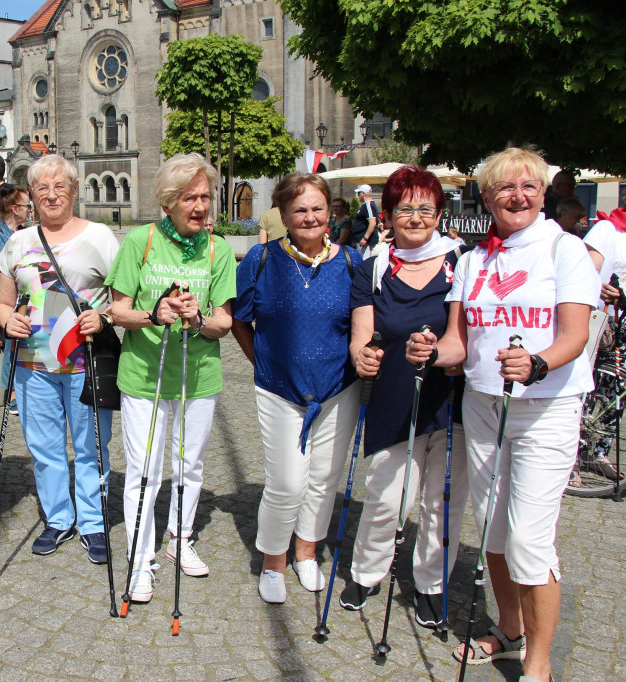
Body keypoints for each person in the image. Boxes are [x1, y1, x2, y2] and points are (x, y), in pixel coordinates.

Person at [407, 146, 597, 681]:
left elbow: (576, 336)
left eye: (528, 188)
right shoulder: (474, 260)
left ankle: (539, 665)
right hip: (485, 405)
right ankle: (509, 632)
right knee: (492, 531)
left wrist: (536, 363)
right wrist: (428, 350)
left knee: (528, 540)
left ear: (543, 194)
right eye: (504, 189)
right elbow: (457, 344)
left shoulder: (565, 251)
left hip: (546, 409)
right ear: (487, 198)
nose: (517, 197)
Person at [341, 165, 469, 627]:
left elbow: (469, 335)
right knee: (386, 494)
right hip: (395, 393)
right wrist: (362, 356)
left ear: (438, 212)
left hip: (450, 398)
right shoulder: (374, 265)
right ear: (389, 215)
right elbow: (363, 332)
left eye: (425, 208)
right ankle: (366, 572)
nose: (416, 217)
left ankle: (432, 584)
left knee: (442, 500)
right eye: (405, 209)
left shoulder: (463, 260)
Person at [107, 153, 236, 601]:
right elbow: (117, 310)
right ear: (168, 201)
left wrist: (197, 318)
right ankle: (141, 560)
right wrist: (154, 313)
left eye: (205, 196)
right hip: (144, 375)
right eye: (190, 198)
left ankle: (181, 539)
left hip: (199, 375)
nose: (201, 206)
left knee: (190, 465)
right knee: (144, 471)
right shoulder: (139, 242)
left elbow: (224, 322)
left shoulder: (218, 249)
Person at [231, 173, 362, 604]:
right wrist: (262, 362)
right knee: (287, 482)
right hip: (279, 390)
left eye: (317, 208)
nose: (309, 217)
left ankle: (307, 551)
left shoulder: (351, 262)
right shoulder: (262, 259)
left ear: (330, 212)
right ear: (284, 215)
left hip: (338, 389)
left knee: (324, 478)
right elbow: (239, 318)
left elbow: (363, 323)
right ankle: (273, 560)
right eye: (299, 210)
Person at [0, 154, 119, 563]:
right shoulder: (17, 242)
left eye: (59, 186)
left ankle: (93, 522)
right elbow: (3, 304)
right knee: (44, 447)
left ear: (74, 189)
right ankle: (58, 518)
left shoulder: (100, 236)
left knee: (91, 446)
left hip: (85, 359)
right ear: (30, 194)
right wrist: (6, 318)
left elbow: (122, 303)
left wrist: (101, 317)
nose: (51, 194)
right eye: (42, 188)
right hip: (34, 362)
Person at [0, 185, 33, 415]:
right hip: (9, 298)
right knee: (12, 344)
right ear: (15, 209)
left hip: (26, 295)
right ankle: (12, 395)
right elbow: (3, 271)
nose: (30, 211)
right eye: (27, 206)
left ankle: (23, 390)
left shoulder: (25, 232)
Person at [353, 184, 381, 253]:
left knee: (364, 261)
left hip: (366, 243)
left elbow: (372, 222)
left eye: (358, 193)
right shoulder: (366, 205)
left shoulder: (369, 205)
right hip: (362, 241)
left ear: (363, 194)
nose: (358, 195)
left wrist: (365, 238)